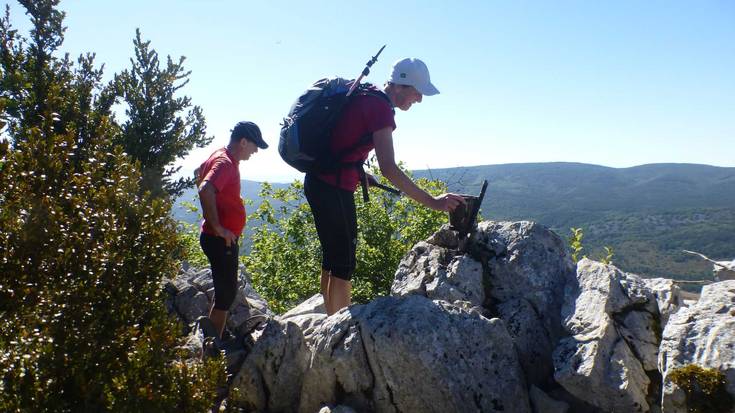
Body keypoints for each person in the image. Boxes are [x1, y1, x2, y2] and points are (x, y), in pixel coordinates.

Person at [305, 57, 466, 316]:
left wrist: (357, 170)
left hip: (320, 182)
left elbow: (342, 141)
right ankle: (339, 330)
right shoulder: (380, 109)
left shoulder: (367, 95)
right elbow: (389, 169)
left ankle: (329, 321)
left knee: (333, 259)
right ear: (401, 86)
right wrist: (434, 202)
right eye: (417, 92)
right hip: (333, 189)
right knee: (343, 265)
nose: (420, 99)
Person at [197, 121, 267, 339]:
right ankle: (211, 346)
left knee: (224, 294)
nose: (255, 151)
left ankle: (211, 338)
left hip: (216, 238)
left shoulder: (221, 156)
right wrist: (218, 227)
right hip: (220, 240)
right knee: (225, 296)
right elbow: (205, 189)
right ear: (243, 141)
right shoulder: (225, 162)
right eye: (255, 146)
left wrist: (228, 202)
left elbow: (199, 171)